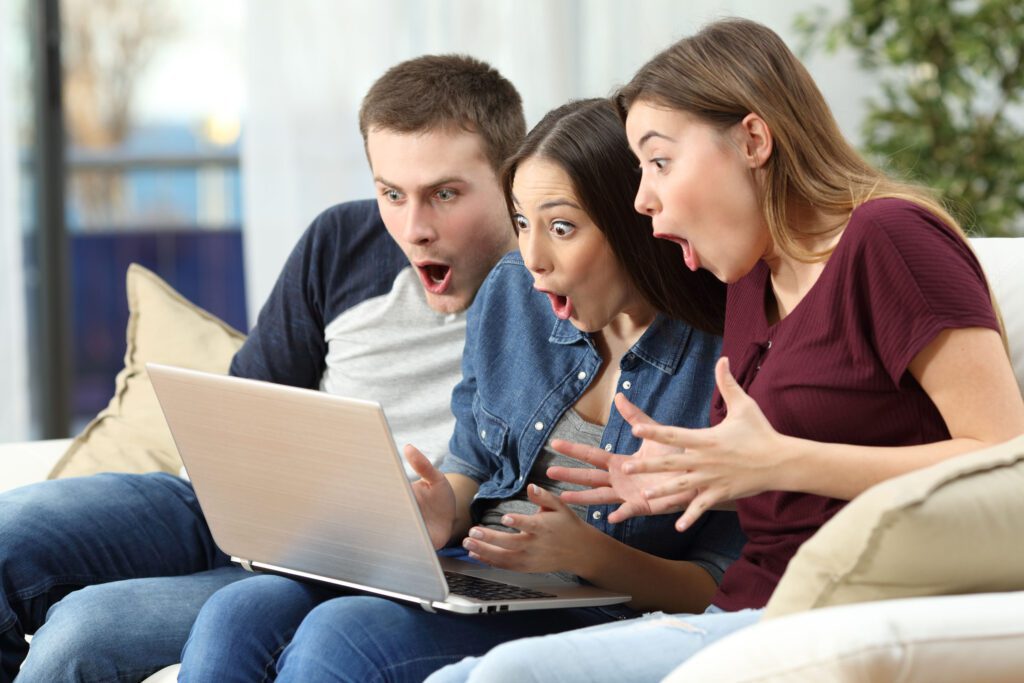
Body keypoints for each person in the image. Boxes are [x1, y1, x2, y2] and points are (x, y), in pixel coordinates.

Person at [426, 18, 1024, 683]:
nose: (642, 196)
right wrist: (697, 475)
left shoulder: (889, 239)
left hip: (838, 613)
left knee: (508, 677)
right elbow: (781, 482)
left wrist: (781, 460)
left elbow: (1006, 463)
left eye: (658, 161)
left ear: (753, 139)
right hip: (744, 607)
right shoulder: (749, 280)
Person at [175, 98, 743, 682]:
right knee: (238, 610)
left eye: (562, 227)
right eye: (521, 222)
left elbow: (722, 583)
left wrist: (591, 556)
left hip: (601, 605)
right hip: (481, 571)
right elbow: (472, 467)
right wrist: (440, 508)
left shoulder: (725, 351)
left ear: (636, 226)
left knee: (343, 638)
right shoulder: (512, 294)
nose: (533, 258)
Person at [0, 54, 524, 683]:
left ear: (509, 177)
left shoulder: (548, 296)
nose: (413, 229)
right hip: (230, 506)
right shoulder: (342, 242)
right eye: (391, 193)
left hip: (366, 563)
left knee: (82, 634)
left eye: (445, 194)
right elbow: (246, 403)